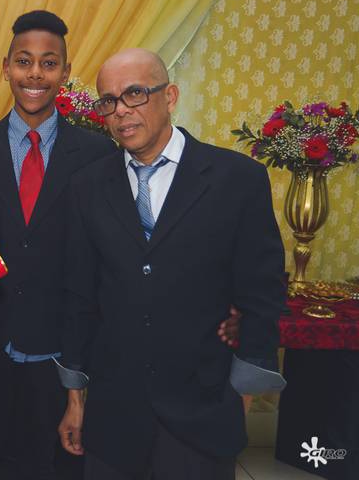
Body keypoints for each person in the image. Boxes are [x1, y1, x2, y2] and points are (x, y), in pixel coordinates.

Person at [0, 11, 240, 480]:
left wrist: (226, 302)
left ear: (66, 73)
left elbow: (129, 255)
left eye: (49, 63)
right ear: (5, 68)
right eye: (24, 61)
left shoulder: (98, 152)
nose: (35, 74)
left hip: (67, 354)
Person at [57, 48, 286, 480]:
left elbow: (262, 292)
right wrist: (74, 395)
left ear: (171, 96)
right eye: (109, 101)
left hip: (203, 408)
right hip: (114, 413)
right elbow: (79, 296)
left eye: (135, 94)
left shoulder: (236, 179)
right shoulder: (87, 187)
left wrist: (244, 392)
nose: (121, 111)